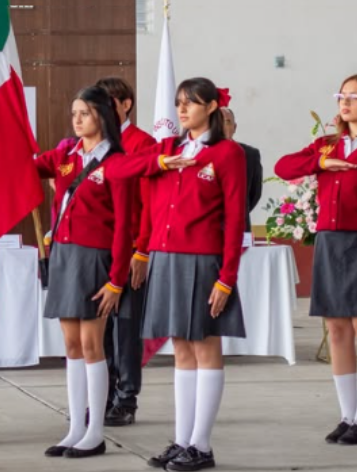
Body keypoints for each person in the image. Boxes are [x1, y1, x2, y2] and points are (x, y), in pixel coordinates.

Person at [107, 78, 247, 471]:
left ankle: (201, 445)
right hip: (165, 259)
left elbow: (236, 219)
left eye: (191, 103)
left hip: (203, 261)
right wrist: (160, 163)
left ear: (212, 108)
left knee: (205, 348)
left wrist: (226, 277)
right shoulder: (169, 149)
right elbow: (118, 168)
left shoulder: (226, 153)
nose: (182, 109)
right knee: (182, 351)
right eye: (178, 102)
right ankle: (183, 439)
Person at [275, 74, 357, 446]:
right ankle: (347, 415)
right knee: (337, 330)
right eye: (340, 96)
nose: (344, 102)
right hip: (331, 243)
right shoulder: (328, 144)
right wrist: (321, 162)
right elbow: (284, 167)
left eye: (353, 96)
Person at [36, 86, 133, 459]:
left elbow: (125, 227)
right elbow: (27, 165)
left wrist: (116, 279)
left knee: (93, 346)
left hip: (95, 260)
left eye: (85, 113)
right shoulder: (65, 155)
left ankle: (95, 430)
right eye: (74, 112)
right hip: (63, 255)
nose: (77, 119)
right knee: (71, 347)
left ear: (103, 117)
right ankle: (75, 426)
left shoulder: (117, 162)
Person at [95, 76, 156, 427]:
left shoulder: (142, 143)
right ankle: (100, 394)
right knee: (98, 328)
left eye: (107, 103)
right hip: (97, 250)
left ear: (125, 104)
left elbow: (149, 204)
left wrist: (142, 251)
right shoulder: (94, 146)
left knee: (125, 329)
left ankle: (126, 397)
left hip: (130, 249)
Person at [221, 107, 263, 232]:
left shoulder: (250, 154)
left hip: (239, 227)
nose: (222, 126)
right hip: (206, 230)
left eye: (227, 122)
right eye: (217, 122)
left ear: (234, 127)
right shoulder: (200, 153)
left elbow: (254, 193)